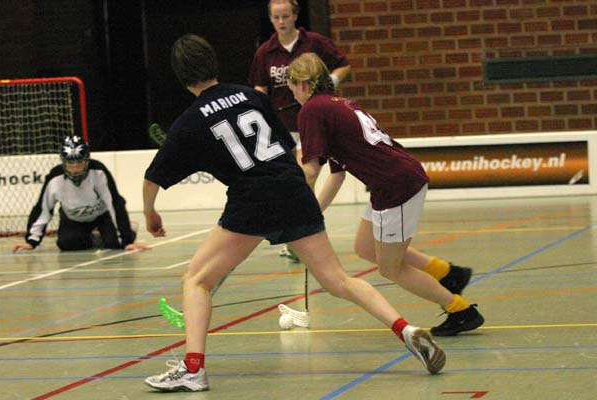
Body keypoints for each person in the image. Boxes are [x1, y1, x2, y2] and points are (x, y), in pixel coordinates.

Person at [142, 34, 445, 393]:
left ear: (180, 77)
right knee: (339, 281)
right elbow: (285, 148)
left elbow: (153, 178)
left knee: (196, 280)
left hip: (252, 201)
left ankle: (193, 370)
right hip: (293, 189)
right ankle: (405, 329)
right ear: (214, 63)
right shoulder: (253, 96)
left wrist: (150, 215)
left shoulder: (190, 121)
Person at [285, 53, 485, 337]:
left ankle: (460, 310)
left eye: (292, 87)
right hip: (391, 182)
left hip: (396, 185)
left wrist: (294, 202)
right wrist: (314, 212)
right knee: (365, 247)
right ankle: (447, 273)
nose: (292, 94)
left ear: (303, 84)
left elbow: (310, 170)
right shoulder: (336, 104)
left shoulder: (312, 111)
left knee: (391, 269)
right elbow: (337, 175)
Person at [249, 0, 351, 260]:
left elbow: (343, 65)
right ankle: (302, 235)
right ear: (270, 19)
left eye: (285, 16)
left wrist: (329, 82)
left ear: (295, 16)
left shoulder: (315, 43)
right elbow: (260, 87)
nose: (281, 22)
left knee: (307, 177)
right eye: (276, 17)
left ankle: (303, 235)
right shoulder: (265, 52)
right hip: (283, 126)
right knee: (298, 179)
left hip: (312, 122)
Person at [12, 135, 149, 253]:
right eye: (70, 164)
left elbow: (114, 203)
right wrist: (31, 241)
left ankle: (124, 230)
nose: (75, 170)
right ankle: (94, 236)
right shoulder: (55, 178)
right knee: (67, 244)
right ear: (63, 162)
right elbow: (43, 209)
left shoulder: (99, 172)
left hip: (102, 215)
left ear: (87, 161)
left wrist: (126, 241)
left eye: (79, 164)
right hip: (73, 218)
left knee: (114, 244)